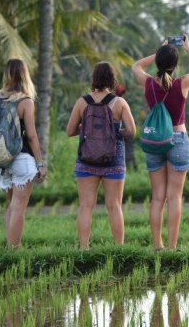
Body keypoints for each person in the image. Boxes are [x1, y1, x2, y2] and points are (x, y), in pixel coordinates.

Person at [131, 35, 189, 251]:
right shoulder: (182, 83)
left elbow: (136, 65)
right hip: (177, 139)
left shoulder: (148, 83)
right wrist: (188, 48)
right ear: (175, 65)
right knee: (174, 197)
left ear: (157, 62)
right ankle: (172, 248)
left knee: (157, 197)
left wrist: (160, 49)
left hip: (155, 141)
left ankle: (157, 246)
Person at [66, 62, 136, 249]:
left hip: (86, 159)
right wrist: (114, 133)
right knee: (114, 205)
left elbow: (70, 130)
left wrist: (88, 129)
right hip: (114, 158)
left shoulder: (82, 102)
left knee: (86, 206)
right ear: (112, 80)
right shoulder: (119, 103)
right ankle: (119, 248)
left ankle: (83, 248)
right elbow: (131, 130)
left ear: (94, 78)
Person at [0, 58, 47, 248]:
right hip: (21, 160)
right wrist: (41, 164)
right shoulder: (25, 101)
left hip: (0, 162)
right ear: (25, 75)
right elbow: (32, 136)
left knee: (12, 206)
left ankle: (11, 249)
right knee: (18, 208)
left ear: (7, 75)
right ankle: (13, 252)